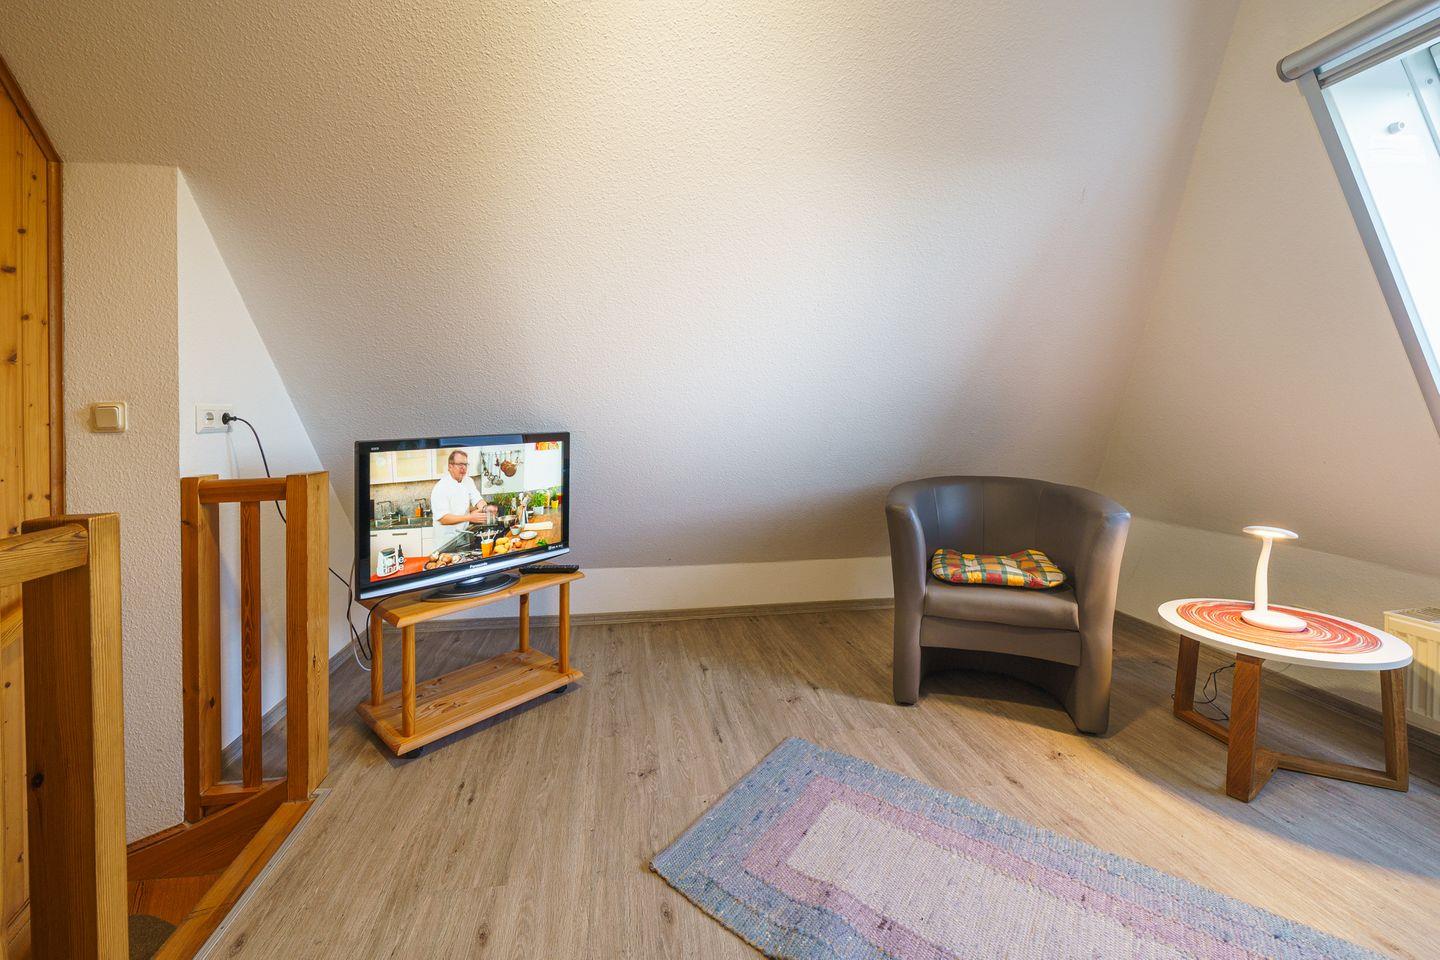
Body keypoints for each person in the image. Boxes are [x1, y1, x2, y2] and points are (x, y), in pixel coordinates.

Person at [430, 449, 496, 546]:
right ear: (450, 466)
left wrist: (485, 508)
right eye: (460, 464)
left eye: (465, 464)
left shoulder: (468, 481)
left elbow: (477, 499)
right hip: (446, 541)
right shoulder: (440, 487)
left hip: (463, 536)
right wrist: (470, 517)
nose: (463, 468)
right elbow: (443, 518)